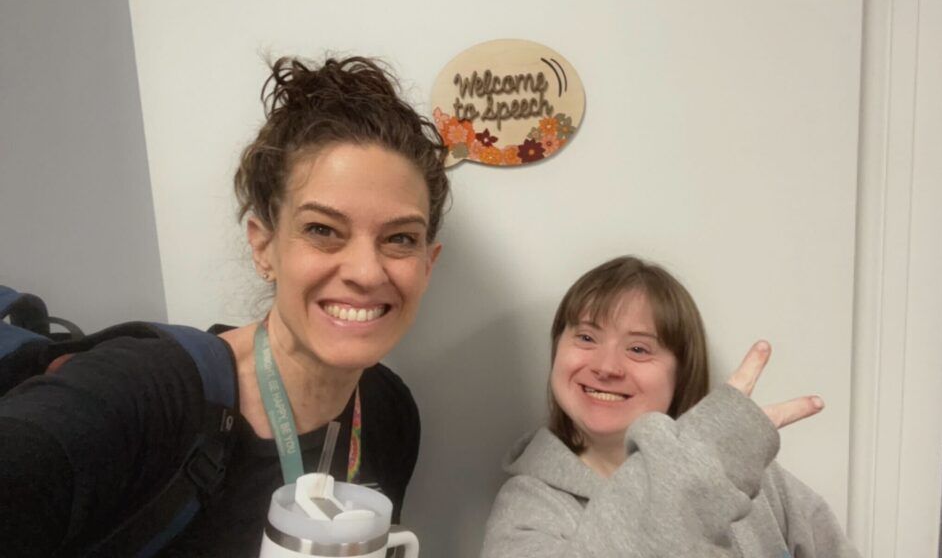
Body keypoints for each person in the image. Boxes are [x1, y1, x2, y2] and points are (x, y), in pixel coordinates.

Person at [0, 56, 448, 556]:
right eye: (322, 229)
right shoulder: (144, 395)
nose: (366, 272)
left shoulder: (390, 412)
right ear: (263, 246)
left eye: (400, 238)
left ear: (427, 265)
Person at [481, 256, 860, 557]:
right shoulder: (529, 508)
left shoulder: (756, 478)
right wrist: (691, 477)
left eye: (638, 348)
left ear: (681, 373)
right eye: (586, 337)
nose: (606, 367)